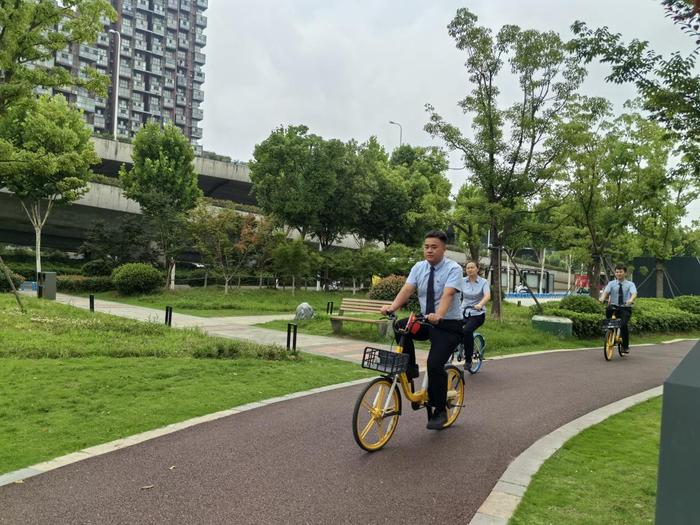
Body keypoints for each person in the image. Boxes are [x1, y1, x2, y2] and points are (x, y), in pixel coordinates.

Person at [380, 230, 464, 430]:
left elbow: (448, 294)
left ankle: (440, 410)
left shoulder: (453, 269)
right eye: (426, 246)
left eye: (434, 247)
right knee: (401, 326)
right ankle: (410, 369)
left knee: (434, 365)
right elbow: (407, 290)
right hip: (427, 321)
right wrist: (392, 308)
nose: (429, 250)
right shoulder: (419, 267)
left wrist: (439, 314)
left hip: (448, 325)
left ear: (444, 248)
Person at [600, 264, 637, 353]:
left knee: (623, 325)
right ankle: (610, 333)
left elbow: (634, 293)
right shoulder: (611, 283)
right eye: (617, 272)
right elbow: (606, 292)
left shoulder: (630, 284)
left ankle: (625, 346)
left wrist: (631, 300)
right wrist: (602, 298)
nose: (618, 274)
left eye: (620, 272)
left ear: (625, 273)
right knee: (609, 323)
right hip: (613, 306)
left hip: (625, 307)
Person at [461, 261, 491, 369]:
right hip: (463, 312)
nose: (469, 269)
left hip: (477, 314)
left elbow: (487, 296)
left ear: (477, 269)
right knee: (450, 326)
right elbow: (454, 293)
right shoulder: (462, 281)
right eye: (467, 268)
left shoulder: (483, 282)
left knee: (467, 331)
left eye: (472, 267)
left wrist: (480, 304)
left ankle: (468, 360)